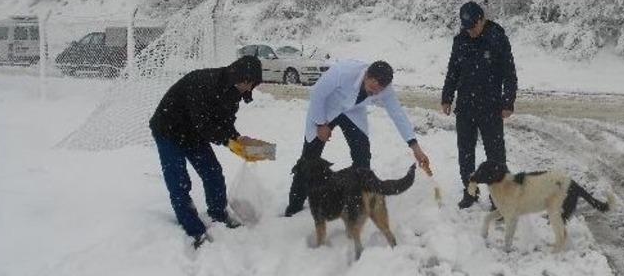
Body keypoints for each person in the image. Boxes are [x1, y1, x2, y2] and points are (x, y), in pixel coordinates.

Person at [284, 59, 431, 217]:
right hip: (325, 110)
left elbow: (398, 114)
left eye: (377, 92)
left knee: (362, 155)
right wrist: (320, 124)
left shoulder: (384, 89)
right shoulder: (342, 72)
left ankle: (356, 201)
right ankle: (294, 206)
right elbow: (317, 94)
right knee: (309, 160)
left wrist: (415, 147)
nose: (374, 94)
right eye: (372, 88)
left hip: (353, 113)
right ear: (367, 75)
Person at [149, 55, 269, 248]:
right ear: (244, 79)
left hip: (193, 133)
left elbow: (224, 121)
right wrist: (230, 142)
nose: (252, 88)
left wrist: (236, 138)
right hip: (168, 130)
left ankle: (218, 214)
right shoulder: (205, 84)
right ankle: (194, 230)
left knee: (212, 172)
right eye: (252, 84)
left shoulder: (234, 91)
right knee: (179, 181)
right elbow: (205, 124)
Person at [441, 1, 518, 209]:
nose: (471, 31)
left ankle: (498, 197)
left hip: (491, 107)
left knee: (496, 155)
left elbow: (509, 74)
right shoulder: (460, 41)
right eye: (467, 28)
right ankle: (470, 192)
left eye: (473, 27)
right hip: (465, 106)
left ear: (482, 20)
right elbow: (453, 71)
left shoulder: (497, 39)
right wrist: (447, 97)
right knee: (465, 153)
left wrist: (508, 101)